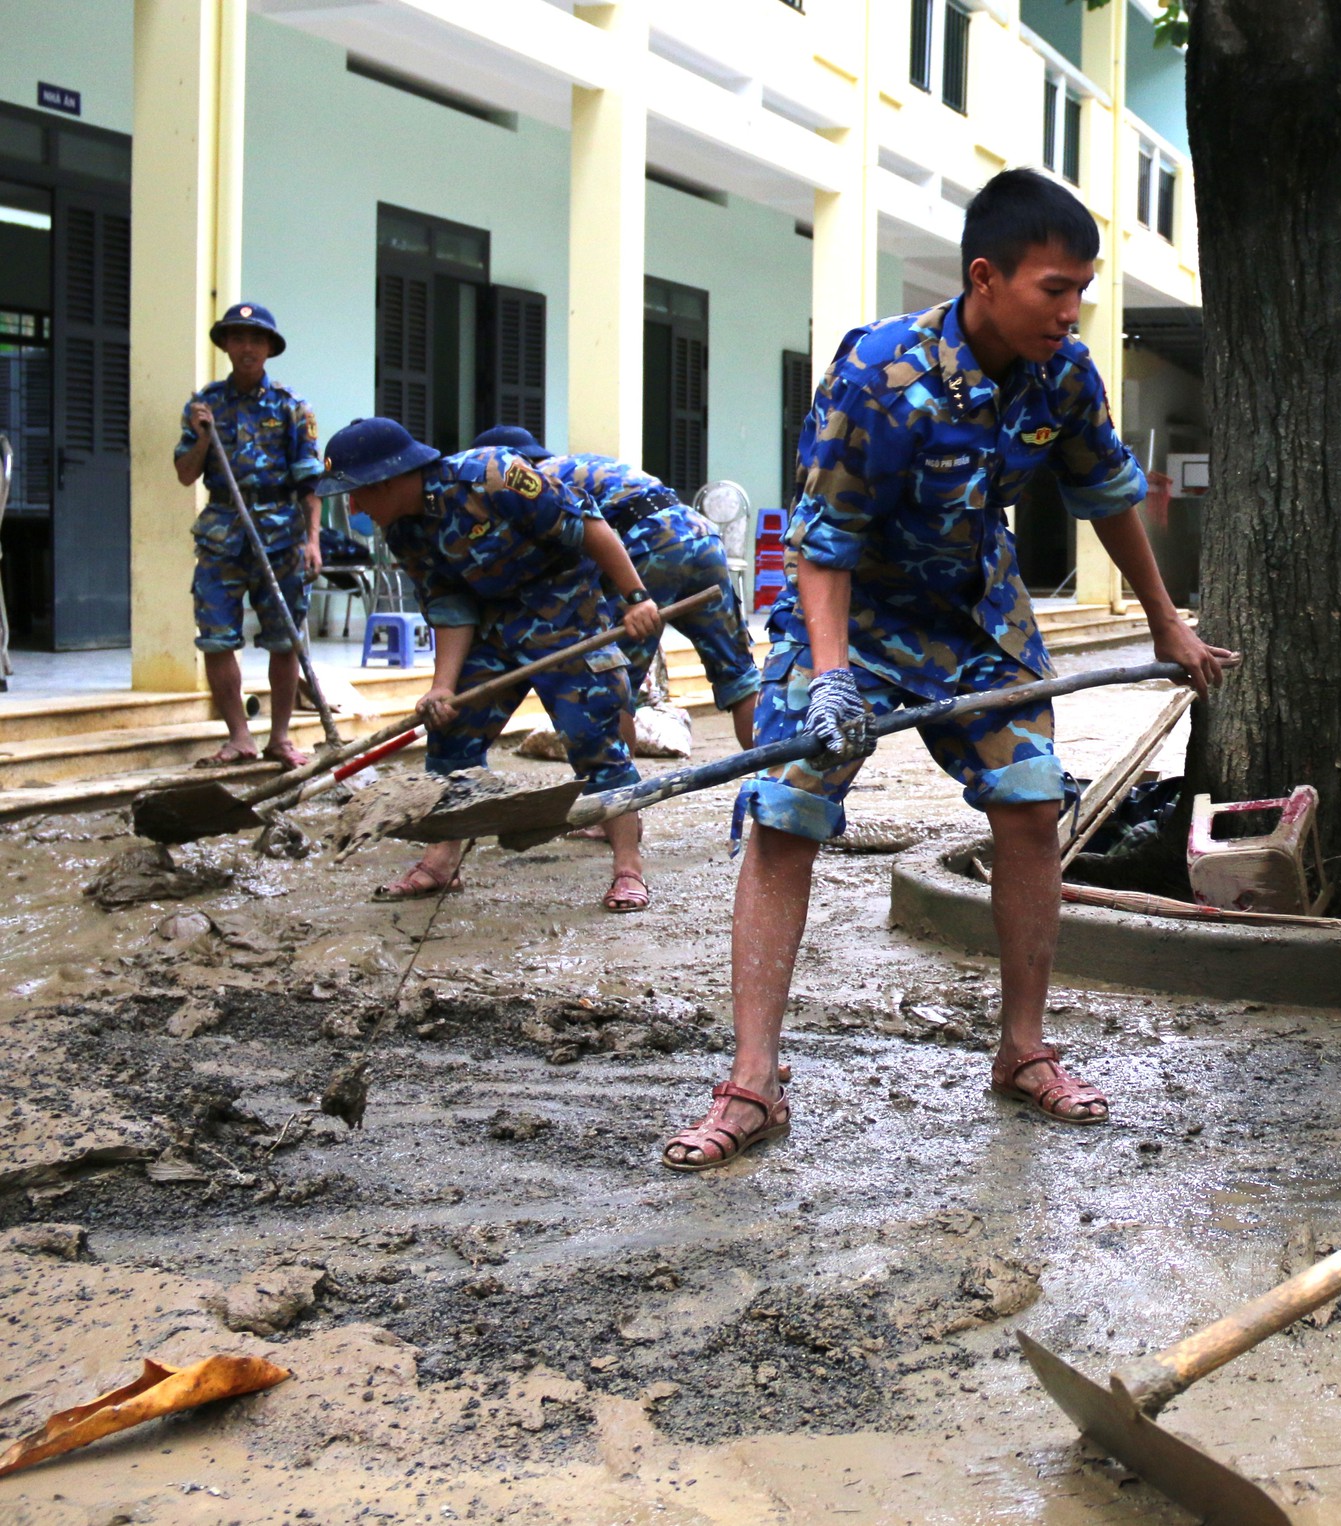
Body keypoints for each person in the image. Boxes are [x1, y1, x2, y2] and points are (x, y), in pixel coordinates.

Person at [661, 169, 1234, 1171]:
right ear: (985, 277)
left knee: (1027, 802)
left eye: (1081, 290)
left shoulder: (1063, 375)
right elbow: (821, 542)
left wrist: (1166, 624)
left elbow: (1108, 495)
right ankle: (753, 1079)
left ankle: (1022, 1047)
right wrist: (832, 677)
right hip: (856, 610)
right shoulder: (876, 374)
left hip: (976, 608)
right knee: (787, 811)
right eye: (1054, 288)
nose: (1072, 310)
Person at [316, 418, 666, 913]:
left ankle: (628, 868)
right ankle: (441, 863)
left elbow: (588, 527)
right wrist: (442, 688)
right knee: (452, 732)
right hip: (495, 627)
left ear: (388, 480)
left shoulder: (492, 475)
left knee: (594, 738)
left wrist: (635, 598)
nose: (352, 507)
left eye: (356, 493)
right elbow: (449, 604)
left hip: (566, 614)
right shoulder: (404, 531)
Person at [468, 427, 762, 748]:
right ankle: (774, 778)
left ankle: (617, 788)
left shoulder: (530, 484)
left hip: (648, 543)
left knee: (611, 686)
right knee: (738, 675)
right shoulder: (582, 464)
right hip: (700, 536)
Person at [174, 301, 324, 768]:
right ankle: (239, 736)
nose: (247, 347)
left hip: (280, 533)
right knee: (217, 637)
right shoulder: (205, 406)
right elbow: (184, 474)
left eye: (256, 339)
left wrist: (313, 539)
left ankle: (280, 738)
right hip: (223, 534)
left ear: (269, 349)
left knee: (284, 639)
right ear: (226, 345)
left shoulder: (291, 406)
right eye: (238, 338)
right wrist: (202, 436)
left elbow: (310, 482)